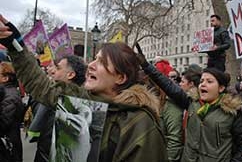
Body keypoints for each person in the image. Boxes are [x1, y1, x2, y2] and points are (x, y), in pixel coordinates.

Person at [0, 15, 167, 161]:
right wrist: (15, 44)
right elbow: (40, 85)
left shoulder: (140, 125)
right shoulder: (78, 100)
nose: (91, 65)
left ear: (120, 77)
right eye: (94, 59)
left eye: (101, 62)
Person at [136, 44, 242, 162]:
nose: (203, 84)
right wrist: (146, 65)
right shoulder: (191, 102)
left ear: (221, 88)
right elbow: (167, 84)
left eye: (209, 81)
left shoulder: (232, 112)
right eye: (202, 81)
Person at [28, 55, 87, 162]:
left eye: (58, 68)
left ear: (70, 75)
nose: (54, 71)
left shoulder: (59, 97)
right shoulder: (80, 100)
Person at [0, 61, 25, 162]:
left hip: (9, 147)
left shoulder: (10, 96)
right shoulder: (8, 93)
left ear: (5, 78)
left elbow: (3, 124)